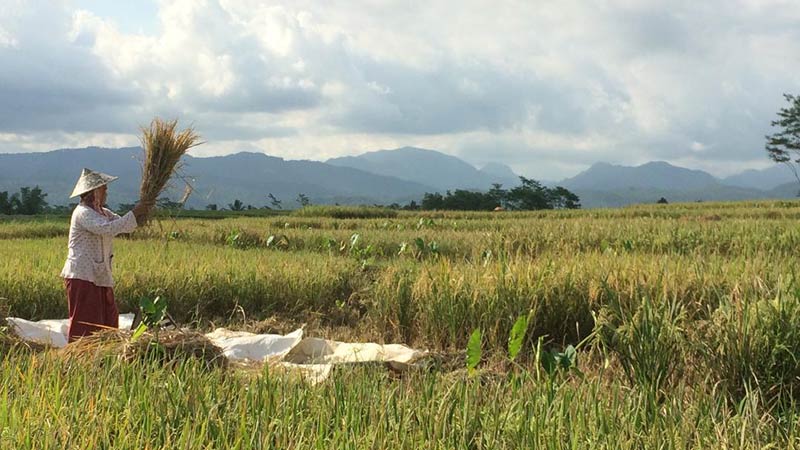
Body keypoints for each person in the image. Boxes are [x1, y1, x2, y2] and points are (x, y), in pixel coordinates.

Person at [60, 168, 147, 343]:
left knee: (107, 321)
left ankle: (104, 357)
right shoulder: (83, 213)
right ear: (93, 192)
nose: (106, 192)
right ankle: (80, 359)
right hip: (83, 276)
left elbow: (124, 226)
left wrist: (142, 212)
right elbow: (108, 228)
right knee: (86, 323)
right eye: (103, 189)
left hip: (99, 275)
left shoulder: (103, 213)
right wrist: (136, 211)